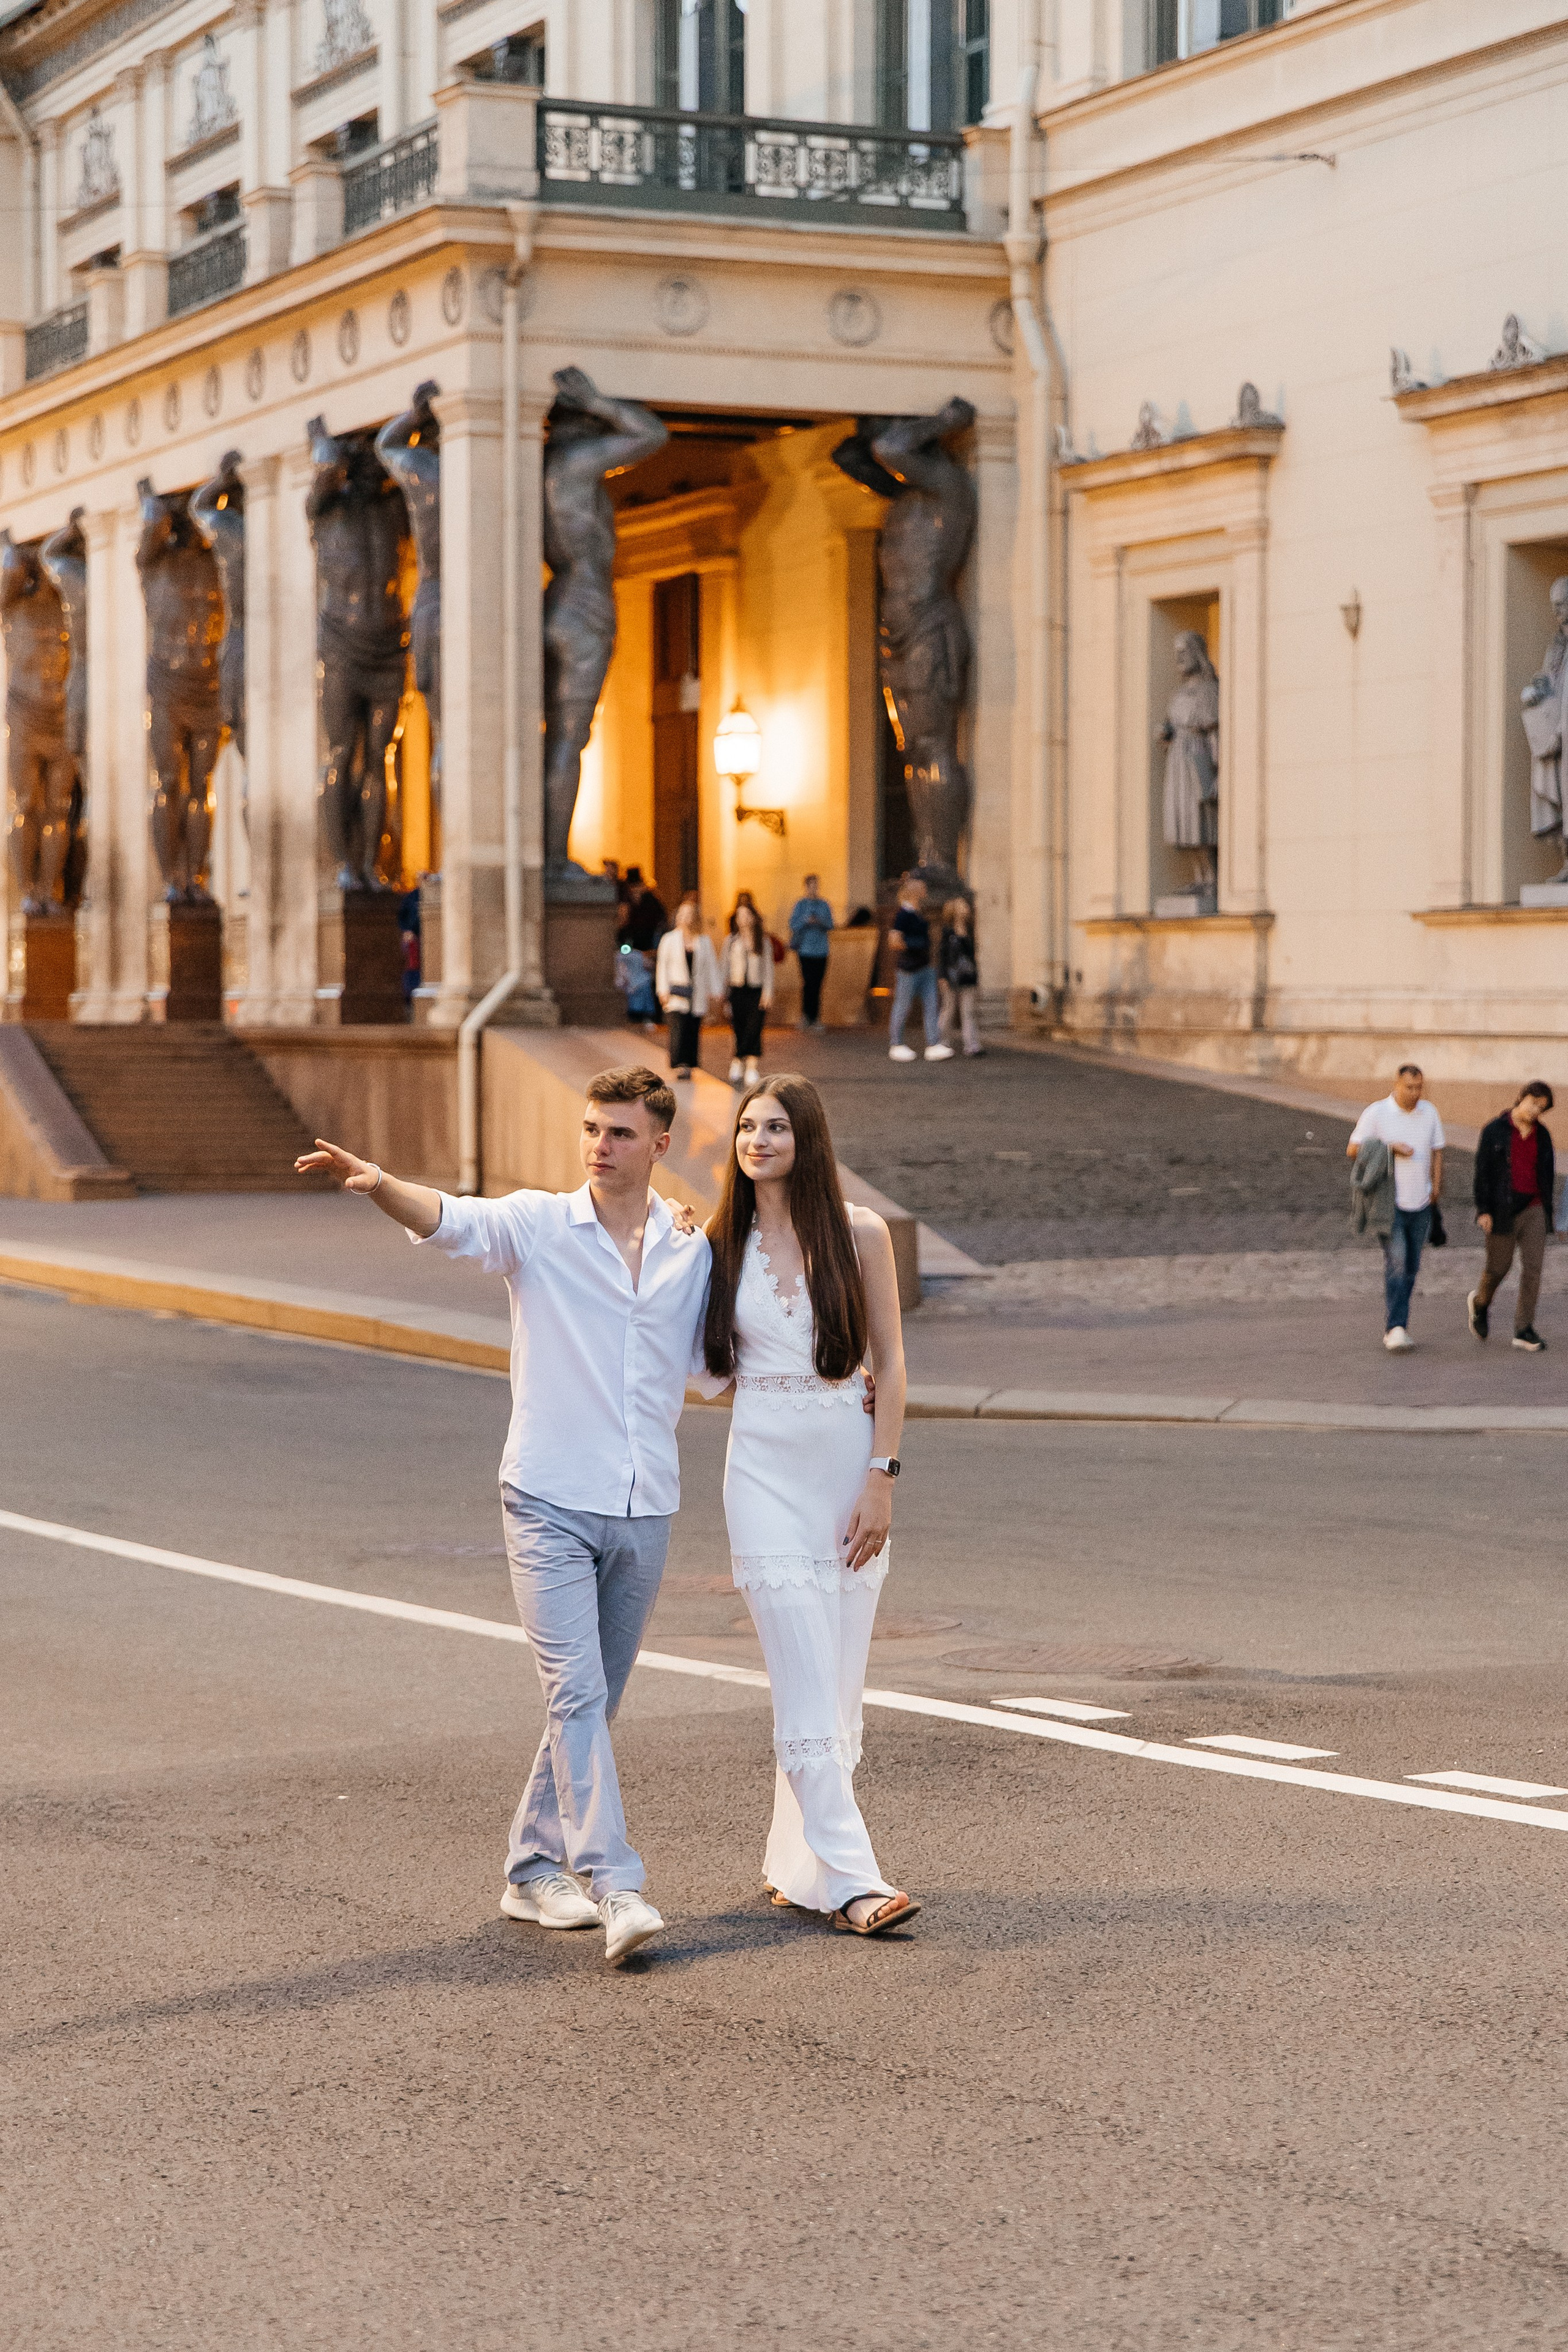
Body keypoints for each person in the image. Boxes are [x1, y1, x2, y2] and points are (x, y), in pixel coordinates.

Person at [293, 1066, 712, 1968]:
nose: (601, 1146)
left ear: (661, 1146)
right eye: (593, 1129)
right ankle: (619, 1885)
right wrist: (378, 1185)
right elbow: (452, 1219)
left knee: (594, 1702)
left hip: (646, 1505)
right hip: (549, 1498)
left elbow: (719, 1368)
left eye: (622, 1134)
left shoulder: (691, 1252)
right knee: (575, 1695)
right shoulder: (538, 1225)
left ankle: (530, 1868)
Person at [694, 1074, 919, 1936]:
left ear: (808, 1139)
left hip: (845, 1473)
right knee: (802, 1679)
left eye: (777, 1127)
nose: (758, 1140)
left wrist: (882, 1478)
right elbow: (700, 1371)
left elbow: (891, 1365)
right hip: (761, 1477)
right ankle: (859, 1883)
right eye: (748, 1127)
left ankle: (798, 1863)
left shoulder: (859, 1234)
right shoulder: (717, 1243)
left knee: (837, 1689)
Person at [1347, 1065, 1445, 1352]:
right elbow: (1352, 1150)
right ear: (1396, 1085)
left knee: (1412, 1266)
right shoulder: (1377, 1113)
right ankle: (1395, 1327)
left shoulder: (1430, 1112)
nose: (1415, 1094)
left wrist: (1437, 1186)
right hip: (1388, 1204)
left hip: (1422, 1202)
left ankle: (1399, 1324)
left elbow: (1438, 1151)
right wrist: (1390, 1148)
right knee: (1398, 1262)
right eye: (1409, 1088)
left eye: (1419, 1088)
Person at [1469, 1082, 1556, 1352]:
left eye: (1541, 1107)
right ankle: (1481, 1303)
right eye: (1533, 1102)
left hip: (1534, 1207)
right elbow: (1482, 1172)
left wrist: (1549, 1212)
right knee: (1499, 1267)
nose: (1535, 1110)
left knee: (1533, 1268)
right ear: (1521, 1097)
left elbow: (1548, 1175)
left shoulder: (1542, 1135)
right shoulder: (1494, 1130)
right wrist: (1483, 1211)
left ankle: (1523, 1328)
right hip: (1502, 1209)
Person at [655, 892, 722, 1080]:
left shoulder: (704, 941)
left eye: (689, 914)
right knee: (678, 1028)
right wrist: (663, 990)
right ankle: (679, 1063)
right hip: (676, 992)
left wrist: (716, 990)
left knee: (692, 1028)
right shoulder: (669, 939)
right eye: (682, 914)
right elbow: (662, 966)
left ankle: (690, 1064)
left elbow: (711, 966)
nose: (685, 918)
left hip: (696, 992)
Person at [887, 876, 952, 1064]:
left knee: (932, 1006)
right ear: (915, 891)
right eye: (923, 888)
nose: (926, 891)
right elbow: (894, 940)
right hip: (909, 968)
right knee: (903, 1005)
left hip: (925, 967)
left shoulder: (917, 912)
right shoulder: (904, 914)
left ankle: (933, 1043)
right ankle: (896, 1043)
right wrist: (912, 945)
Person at [723, 902, 773, 1086]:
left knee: (755, 1028)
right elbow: (725, 968)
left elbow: (768, 968)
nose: (742, 919)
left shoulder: (763, 941)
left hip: (756, 989)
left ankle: (751, 1066)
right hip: (737, 989)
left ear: (753, 917)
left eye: (746, 915)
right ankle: (738, 1061)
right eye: (739, 915)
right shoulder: (731, 940)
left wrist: (768, 992)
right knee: (739, 1027)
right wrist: (723, 993)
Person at [937, 897, 982, 1057]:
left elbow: (972, 956)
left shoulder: (970, 929)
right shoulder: (947, 931)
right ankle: (942, 1042)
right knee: (948, 1009)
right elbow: (942, 955)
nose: (966, 908)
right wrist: (942, 976)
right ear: (954, 909)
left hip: (968, 976)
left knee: (968, 1011)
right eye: (963, 905)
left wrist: (977, 975)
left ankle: (972, 1045)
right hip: (951, 976)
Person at [788, 875, 834, 1031]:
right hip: (805, 950)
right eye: (811, 886)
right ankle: (806, 1016)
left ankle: (816, 1018)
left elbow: (831, 924)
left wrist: (819, 921)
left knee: (818, 984)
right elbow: (793, 924)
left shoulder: (824, 905)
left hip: (821, 951)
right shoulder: (800, 905)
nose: (814, 888)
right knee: (808, 984)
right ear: (806, 887)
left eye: (816, 885)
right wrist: (806, 921)